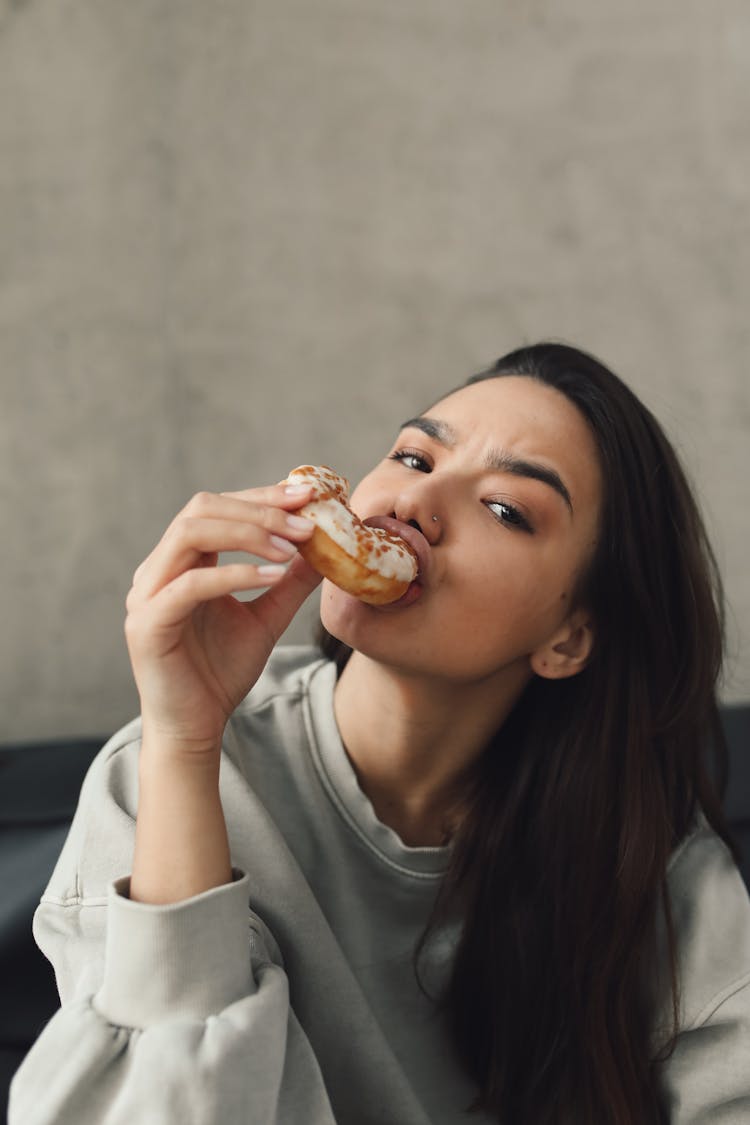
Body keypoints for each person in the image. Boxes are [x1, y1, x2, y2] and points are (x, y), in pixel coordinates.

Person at [10, 343, 750, 1125]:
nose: (414, 503)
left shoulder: (640, 850)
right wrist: (185, 743)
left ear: (568, 638)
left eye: (505, 508)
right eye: (414, 455)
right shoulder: (167, 774)